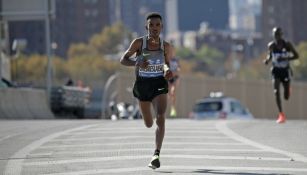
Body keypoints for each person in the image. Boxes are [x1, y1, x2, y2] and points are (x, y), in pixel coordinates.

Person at [120, 12, 173, 169]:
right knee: (149, 123)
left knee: (161, 117)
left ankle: (156, 155)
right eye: (151, 25)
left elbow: (166, 64)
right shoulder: (138, 43)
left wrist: (168, 71)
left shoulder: (166, 46)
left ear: (162, 27)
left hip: (159, 83)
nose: (154, 28)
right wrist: (137, 61)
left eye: (157, 25)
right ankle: (147, 119)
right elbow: (123, 60)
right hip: (143, 84)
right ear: (146, 27)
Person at [263, 27, 299, 123]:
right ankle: (281, 114)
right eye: (275, 35)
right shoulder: (271, 45)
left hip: (285, 71)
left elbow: (296, 56)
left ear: (281, 35)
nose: (277, 37)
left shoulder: (287, 45)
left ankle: (288, 89)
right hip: (276, 71)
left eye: (278, 34)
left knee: (286, 96)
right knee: (276, 91)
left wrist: (285, 59)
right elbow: (270, 55)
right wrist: (267, 60)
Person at [168, 46, 180, 117]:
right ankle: (171, 104)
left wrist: (178, 70)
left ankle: (173, 108)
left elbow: (179, 67)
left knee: (173, 92)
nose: (172, 53)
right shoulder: (166, 59)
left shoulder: (176, 59)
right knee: (169, 94)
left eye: (173, 51)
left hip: (175, 77)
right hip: (169, 77)